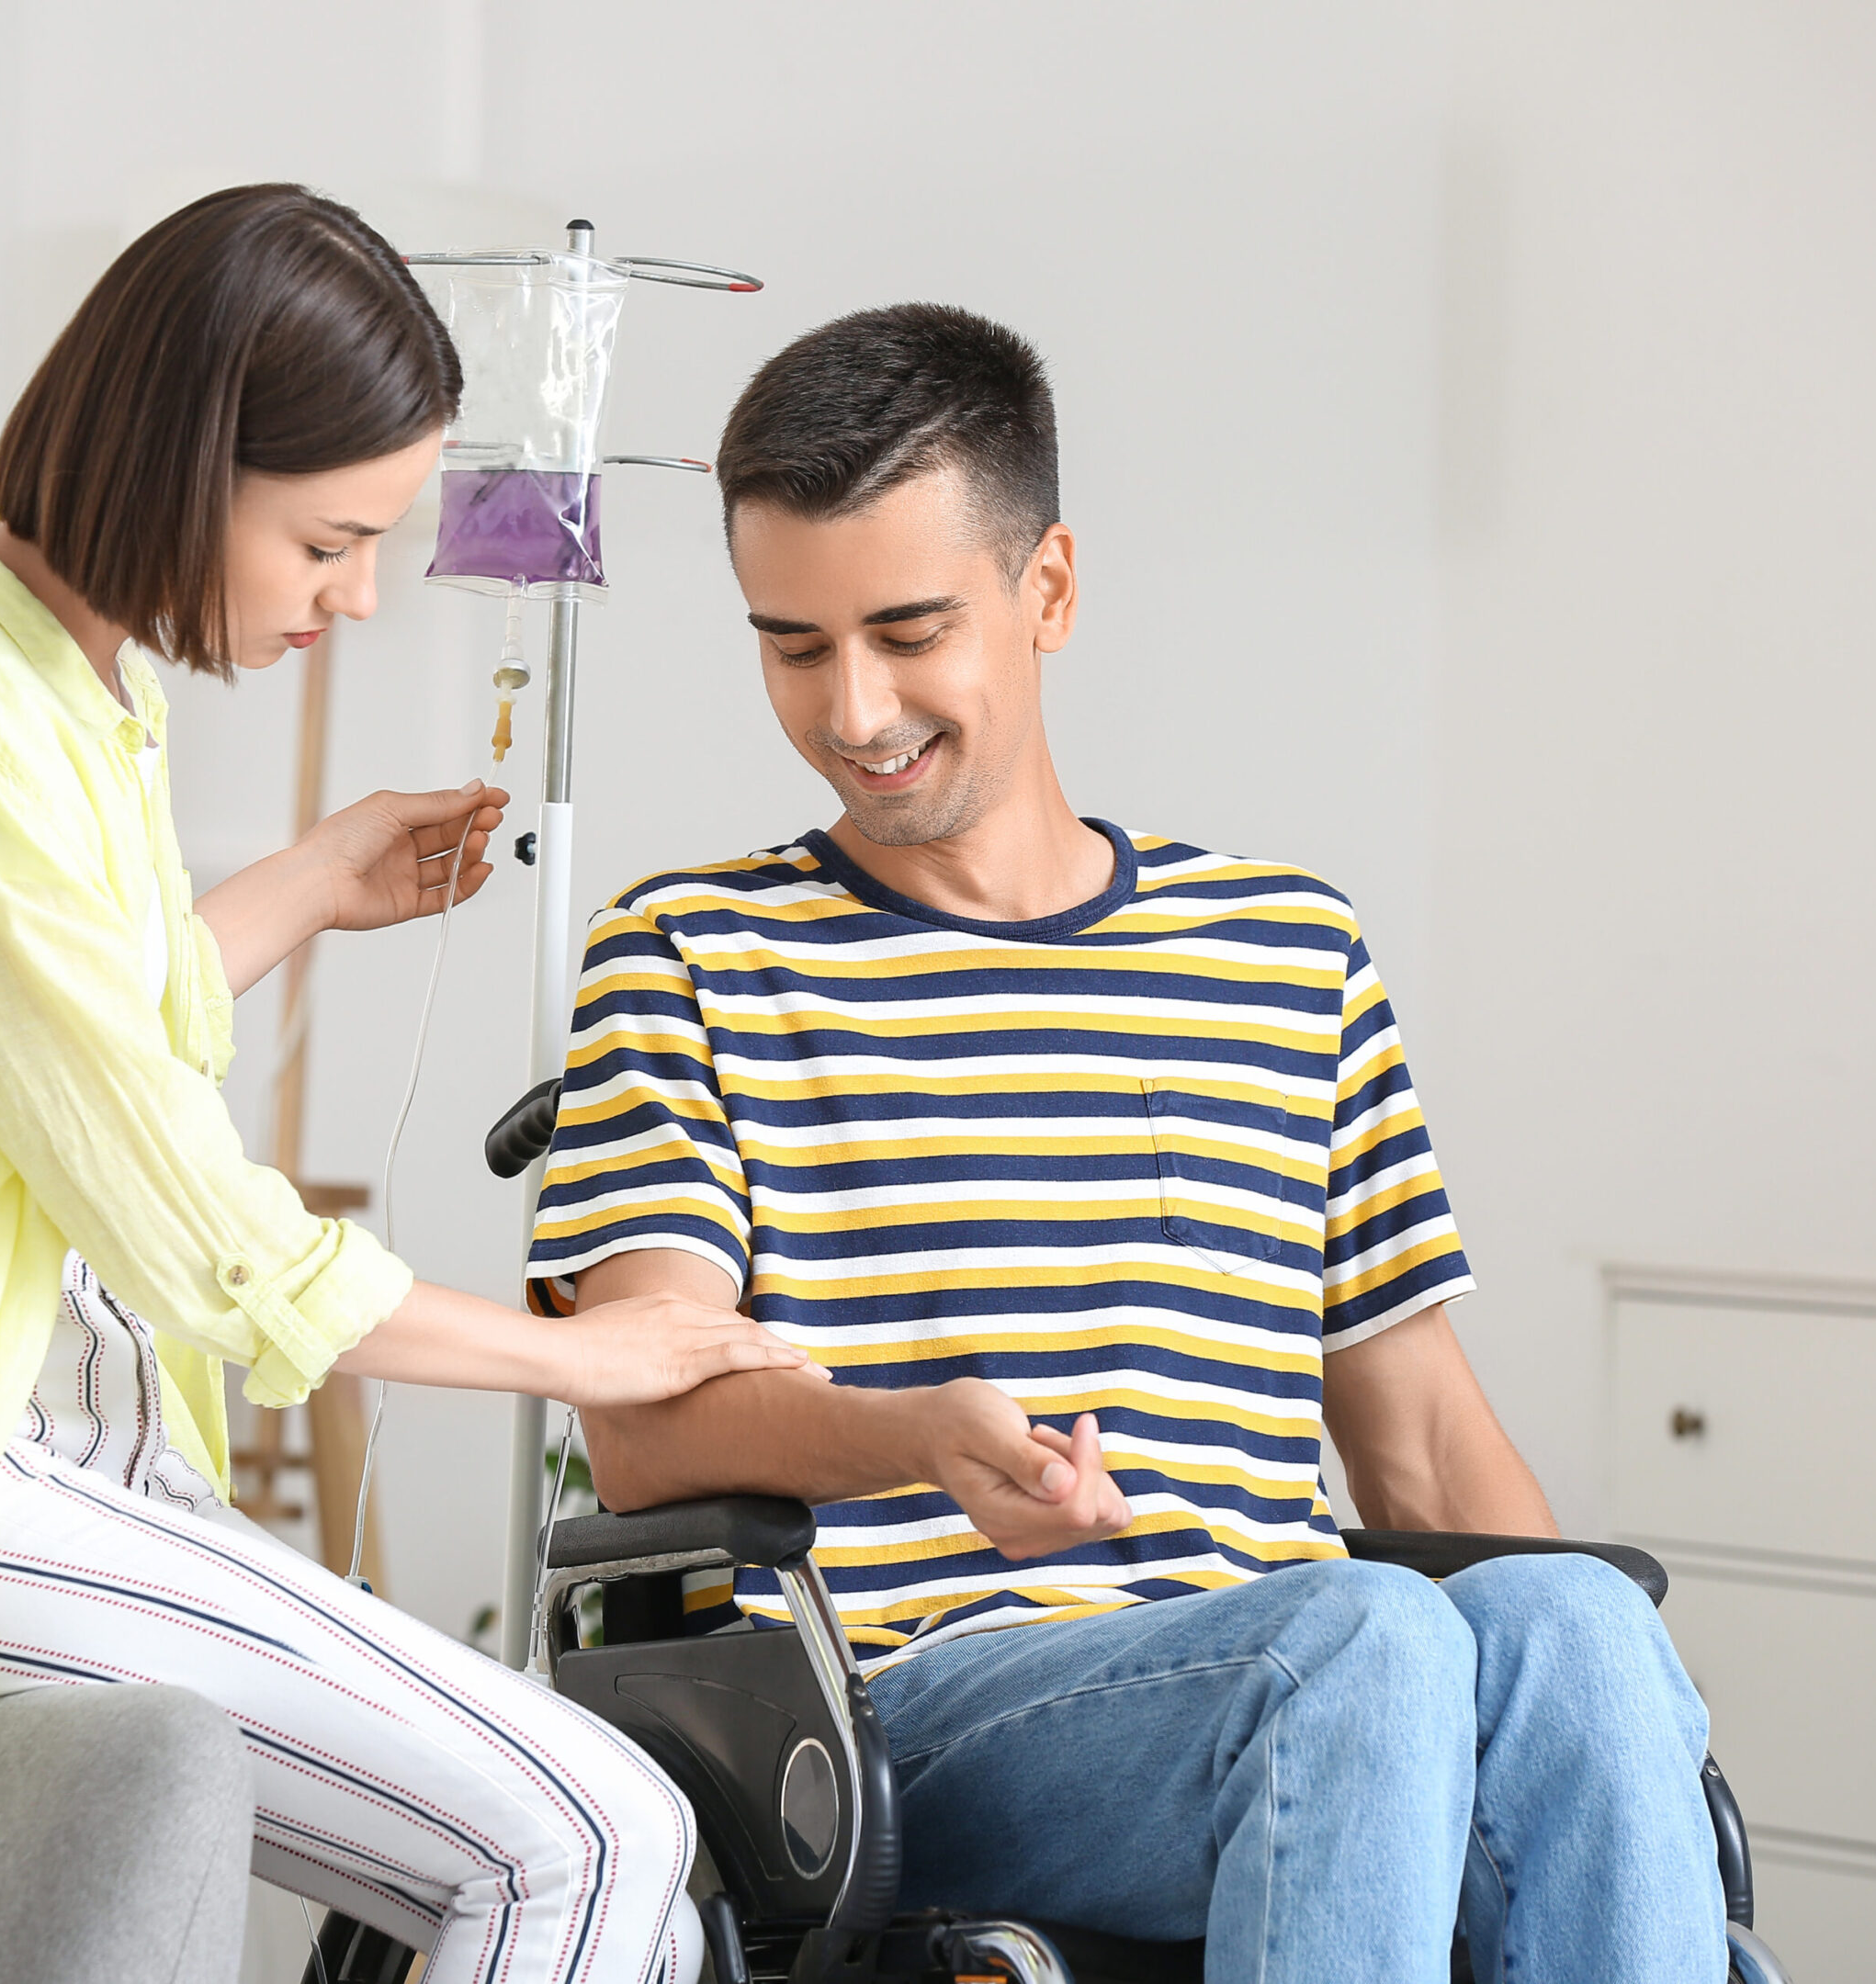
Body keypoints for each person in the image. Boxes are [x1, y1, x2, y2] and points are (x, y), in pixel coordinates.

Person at [0, 186, 821, 1984]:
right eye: (329, 540)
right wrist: (586, 1355)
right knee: (596, 1829)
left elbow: (66, 1026)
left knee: (578, 1851)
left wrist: (318, 881)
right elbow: (184, 1222)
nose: (360, 595)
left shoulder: (70, 687)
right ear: (188, 464)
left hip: (60, 1457)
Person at [525, 304, 1727, 1981]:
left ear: (1051, 591)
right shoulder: (692, 957)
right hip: (918, 1717)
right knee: (1361, 1643)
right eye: (794, 647)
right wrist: (918, 1432)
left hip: (1317, 1672)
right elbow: (646, 1444)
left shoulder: (1289, 953)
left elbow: (1432, 1450)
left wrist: (1624, 1736)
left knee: (1581, 1617)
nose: (854, 710)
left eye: (909, 630)